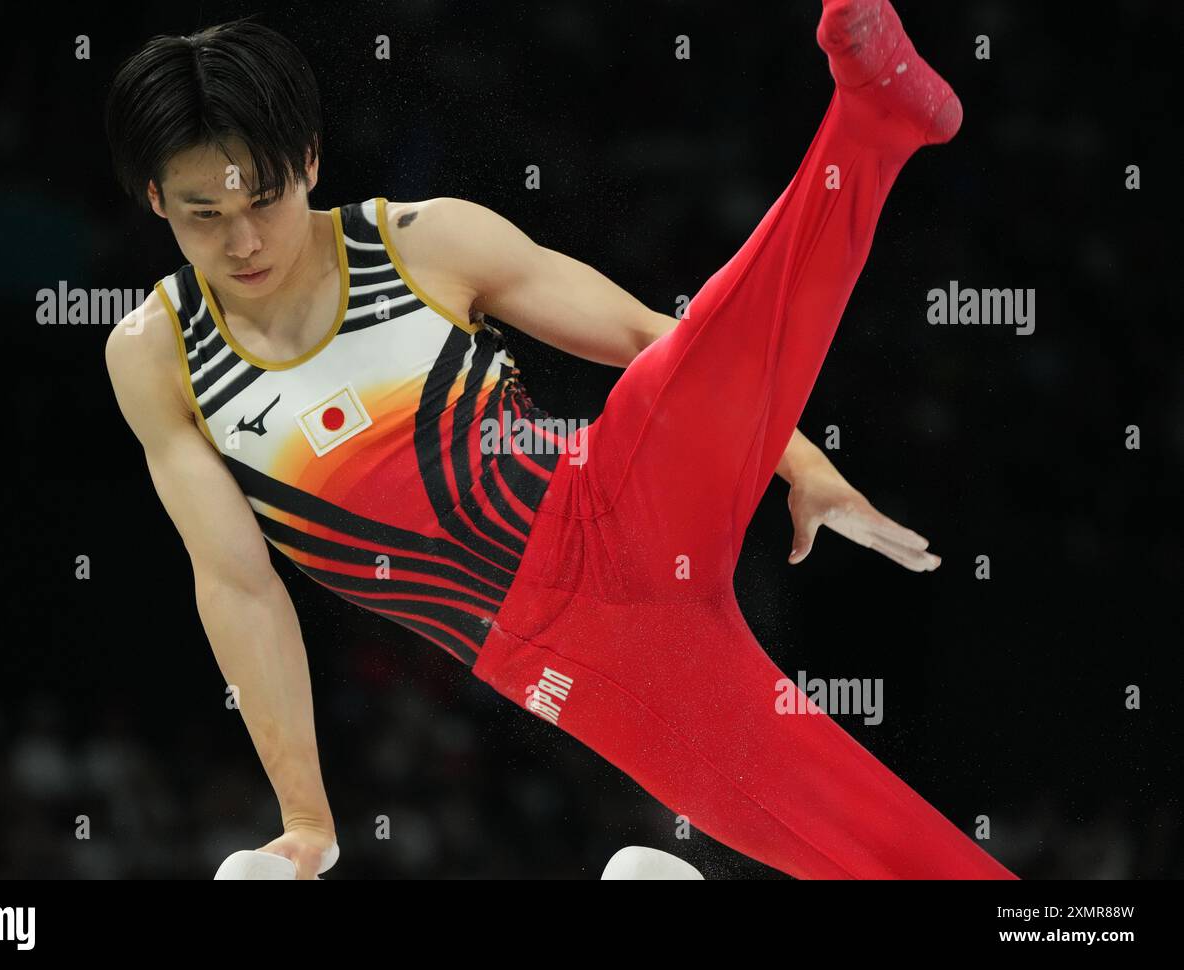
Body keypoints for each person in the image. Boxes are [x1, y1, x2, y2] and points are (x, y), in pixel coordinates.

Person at [104, 1, 1017, 879]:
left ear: (307, 160)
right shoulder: (158, 359)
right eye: (204, 216)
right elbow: (239, 587)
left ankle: (871, 117)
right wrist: (305, 819)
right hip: (567, 646)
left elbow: (643, 336)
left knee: (698, 346)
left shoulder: (423, 242)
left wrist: (802, 460)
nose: (245, 240)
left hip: (612, 491)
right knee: (865, 839)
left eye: (263, 200)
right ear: (156, 201)